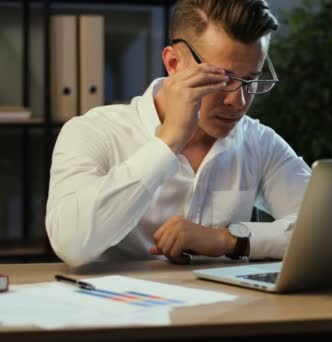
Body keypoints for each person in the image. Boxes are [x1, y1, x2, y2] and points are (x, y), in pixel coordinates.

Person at [45, 0, 311, 268]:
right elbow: (70, 243)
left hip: (223, 306)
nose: (238, 101)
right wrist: (168, 142)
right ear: (174, 63)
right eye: (222, 79)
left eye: (251, 80)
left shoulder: (259, 142)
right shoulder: (93, 132)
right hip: (116, 307)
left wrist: (228, 240)